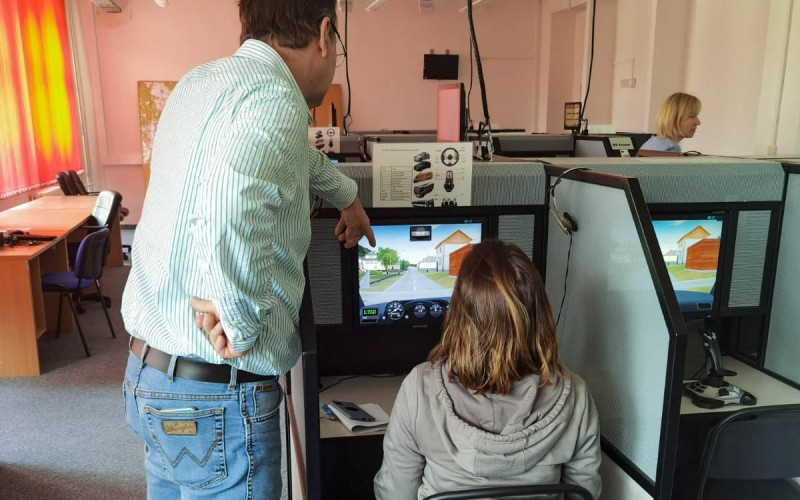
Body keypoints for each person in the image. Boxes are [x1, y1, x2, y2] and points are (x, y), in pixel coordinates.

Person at [120, 1, 374, 498]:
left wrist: (349, 198)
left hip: (149, 374)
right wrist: (239, 325)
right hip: (217, 394)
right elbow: (222, 211)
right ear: (324, 34)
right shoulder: (276, 101)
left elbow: (294, 156)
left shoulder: (199, 83)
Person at [374, 240, 602, 500]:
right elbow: (585, 494)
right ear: (539, 314)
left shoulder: (418, 388)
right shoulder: (576, 395)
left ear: (459, 314)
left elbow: (394, 493)